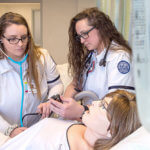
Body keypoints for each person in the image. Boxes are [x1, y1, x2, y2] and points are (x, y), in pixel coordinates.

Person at [37, 7, 135, 120]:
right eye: (79, 36)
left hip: (110, 123)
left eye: (85, 34)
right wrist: (59, 104)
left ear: (101, 28)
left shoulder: (120, 58)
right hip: (90, 118)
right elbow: (75, 85)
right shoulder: (91, 55)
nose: (82, 41)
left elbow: (118, 106)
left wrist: (81, 110)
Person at [0, 90, 141, 150]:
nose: (94, 103)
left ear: (114, 129)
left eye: (103, 106)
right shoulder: (77, 126)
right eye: (101, 101)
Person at [0, 12, 63, 138]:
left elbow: (57, 84)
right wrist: (9, 130)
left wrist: (51, 101)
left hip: (39, 127)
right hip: (4, 133)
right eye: (12, 39)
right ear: (1, 38)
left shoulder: (42, 56)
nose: (20, 44)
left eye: (24, 37)